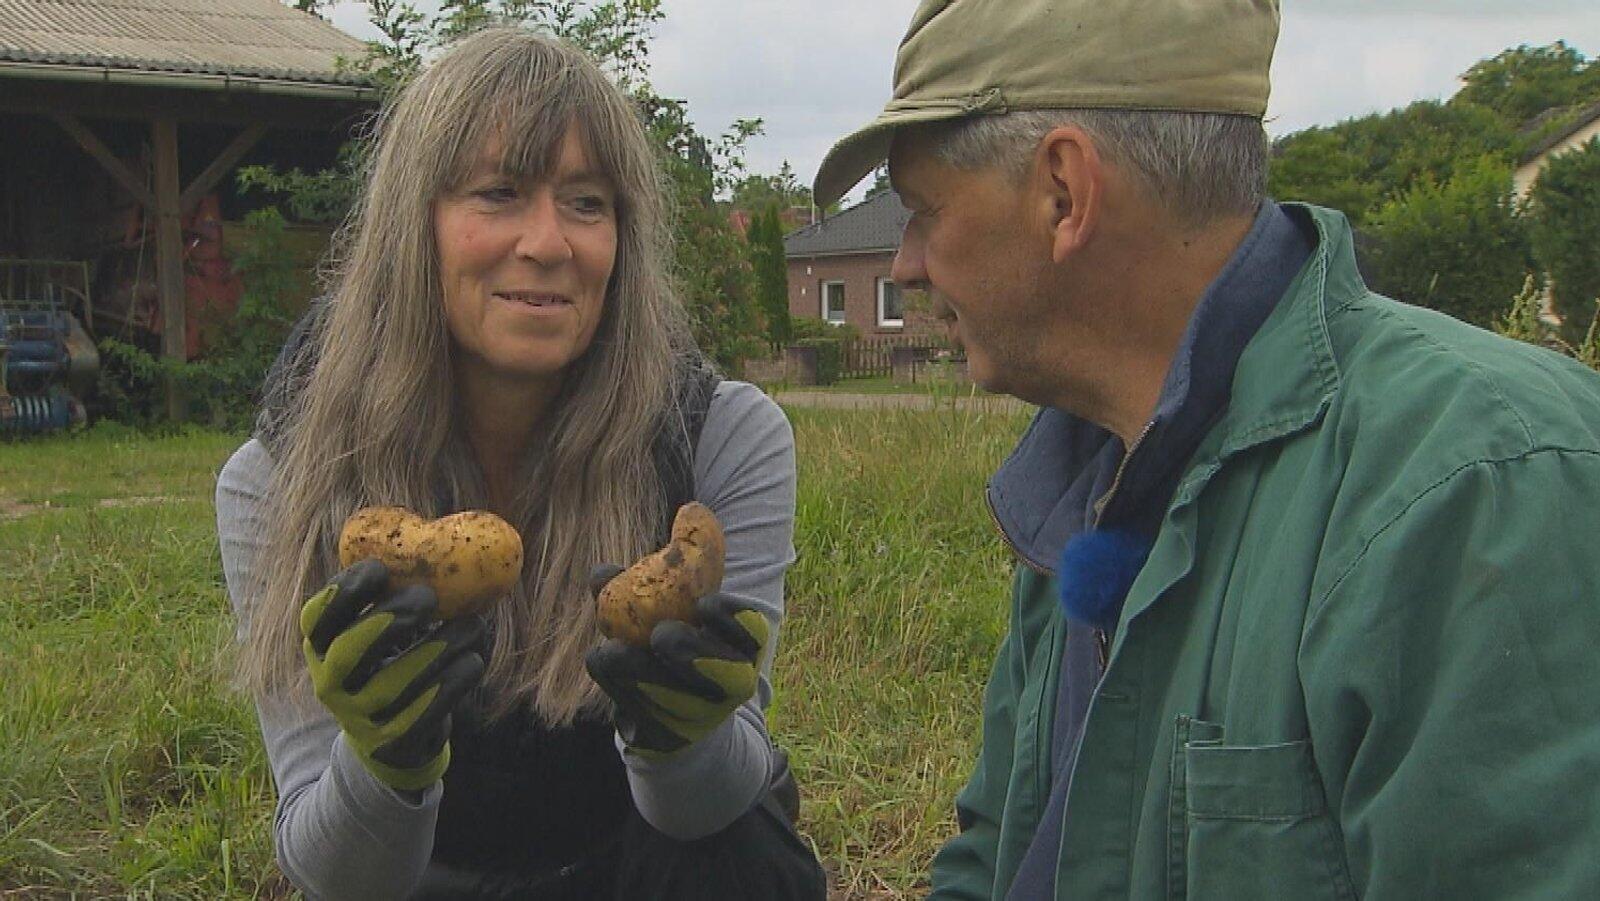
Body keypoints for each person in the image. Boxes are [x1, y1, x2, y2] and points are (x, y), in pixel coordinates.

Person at [812, 0, 1600, 898]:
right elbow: (996, 858)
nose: (906, 263)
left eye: (922, 211)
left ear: (1064, 193)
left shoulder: (1482, 484)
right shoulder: (1082, 480)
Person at [215, 27, 825, 899]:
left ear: (624, 238)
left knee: (744, 852)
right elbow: (332, 872)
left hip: (644, 862)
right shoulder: (280, 478)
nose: (547, 242)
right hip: (422, 880)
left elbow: (709, 812)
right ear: (413, 228)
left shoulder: (721, 437)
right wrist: (386, 758)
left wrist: (682, 736)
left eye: (586, 202)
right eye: (498, 193)